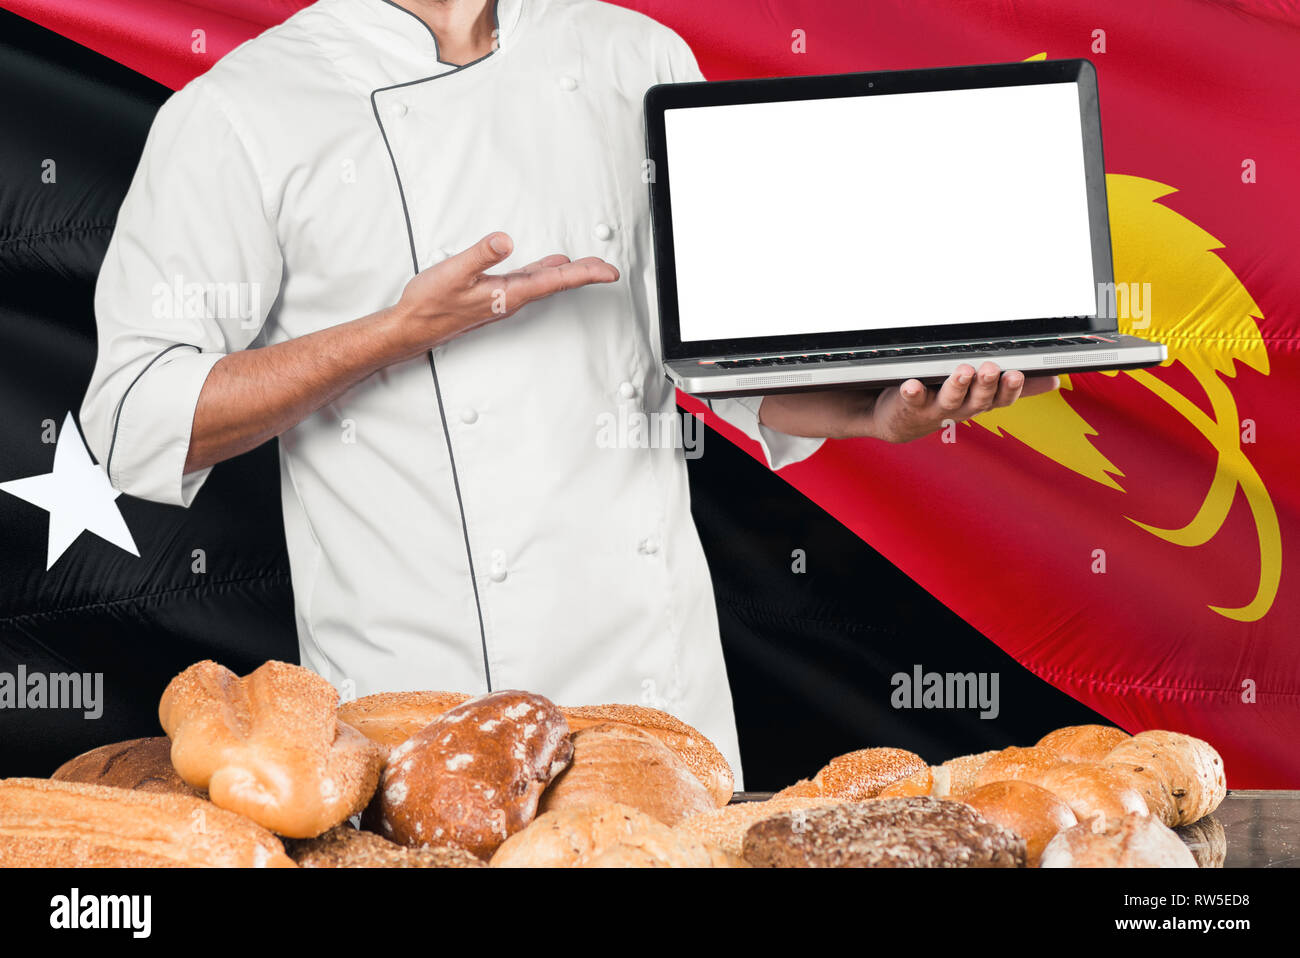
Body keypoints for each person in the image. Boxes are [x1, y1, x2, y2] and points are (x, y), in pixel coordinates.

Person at [80, 0, 1056, 783]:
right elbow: (132, 420)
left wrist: (878, 411)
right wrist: (393, 333)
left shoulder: (636, 55)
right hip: (420, 729)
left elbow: (710, 357)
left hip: (660, 707)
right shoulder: (243, 111)